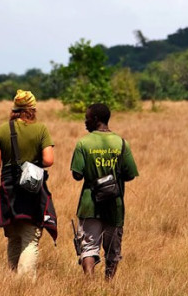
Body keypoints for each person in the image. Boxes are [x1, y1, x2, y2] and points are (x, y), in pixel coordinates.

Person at [0, 89, 57, 278]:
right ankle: (24, 283)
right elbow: (48, 160)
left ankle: (13, 281)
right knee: (30, 239)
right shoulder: (41, 129)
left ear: (15, 108)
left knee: (13, 237)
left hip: (8, 190)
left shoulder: (3, 130)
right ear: (32, 108)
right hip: (32, 190)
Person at [70, 103, 139, 280]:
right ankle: (108, 286)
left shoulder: (83, 144)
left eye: (87, 118)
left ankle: (90, 285)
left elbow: (77, 175)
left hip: (89, 204)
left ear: (95, 119)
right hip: (114, 204)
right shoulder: (122, 143)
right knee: (112, 251)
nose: (85, 122)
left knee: (88, 248)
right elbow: (130, 174)